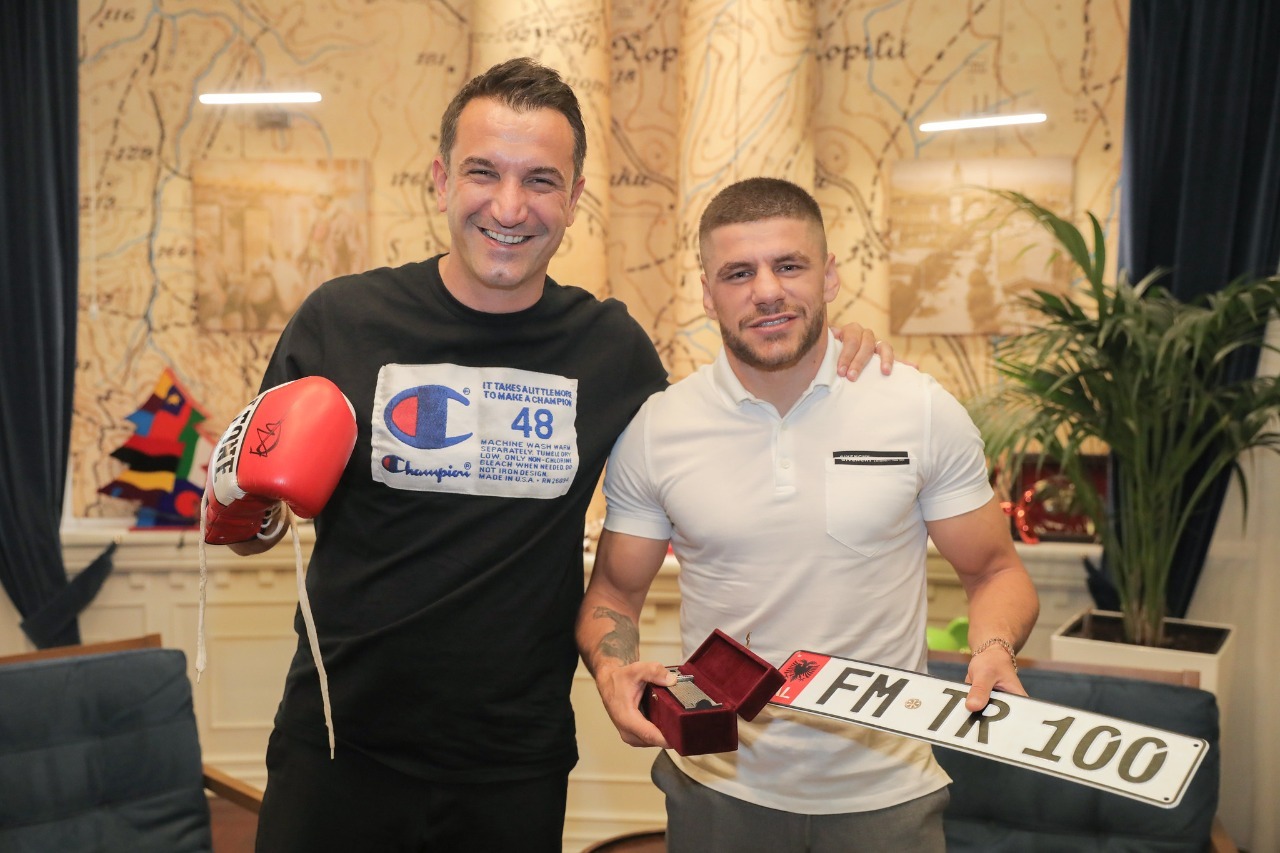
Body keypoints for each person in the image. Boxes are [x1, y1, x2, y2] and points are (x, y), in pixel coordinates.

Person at [215, 60, 894, 852]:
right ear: (441, 180)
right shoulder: (342, 320)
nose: (509, 207)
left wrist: (825, 357)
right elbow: (245, 530)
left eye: (540, 180)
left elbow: (720, 429)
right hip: (337, 744)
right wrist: (248, 503)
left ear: (574, 199)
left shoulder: (609, 349)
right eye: (483, 172)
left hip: (512, 761)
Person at [576, 177, 1040, 853]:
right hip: (718, 786)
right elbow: (615, 593)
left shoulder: (917, 408)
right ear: (707, 292)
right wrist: (613, 670)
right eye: (739, 273)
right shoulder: (659, 429)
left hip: (888, 793)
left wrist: (994, 648)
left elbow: (996, 570)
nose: (767, 291)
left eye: (789, 265)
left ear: (830, 277)